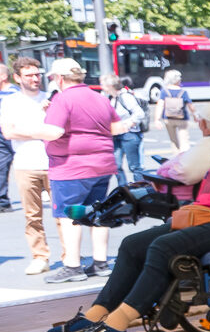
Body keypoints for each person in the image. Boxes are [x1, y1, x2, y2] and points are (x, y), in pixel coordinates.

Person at [48, 89, 210, 332]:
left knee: (163, 247)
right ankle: (96, 314)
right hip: (202, 218)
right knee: (132, 244)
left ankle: (119, 322)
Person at [14, 58, 129, 282]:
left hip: (71, 166)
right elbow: (117, 127)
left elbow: (54, 132)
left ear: (59, 78)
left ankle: (73, 266)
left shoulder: (62, 99)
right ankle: (100, 263)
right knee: (98, 212)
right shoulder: (99, 98)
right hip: (102, 165)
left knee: (70, 216)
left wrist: (31, 130)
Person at [1, 56, 53, 272]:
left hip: (54, 163)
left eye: (37, 73)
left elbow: (61, 130)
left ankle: (70, 257)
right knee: (32, 215)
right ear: (17, 77)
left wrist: (32, 131)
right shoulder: (11, 102)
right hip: (26, 164)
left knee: (63, 213)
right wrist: (41, 132)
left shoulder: (51, 97)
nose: (35, 78)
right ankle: (40, 256)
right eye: (29, 75)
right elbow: (9, 132)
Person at [106, 75, 149, 184]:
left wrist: (126, 124)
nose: (101, 86)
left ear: (110, 86)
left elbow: (139, 113)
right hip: (116, 135)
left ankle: (141, 190)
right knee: (116, 166)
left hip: (130, 134)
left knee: (134, 166)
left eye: (103, 84)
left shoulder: (125, 96)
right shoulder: (110, 97)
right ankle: (124, 189)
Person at [160, 70, 192, 149]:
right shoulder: (183, 92)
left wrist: (157, 119)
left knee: (173, 141)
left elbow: (160, 105)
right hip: (182, 118)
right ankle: (184, 157)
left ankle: (176, 157)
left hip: (168, 118)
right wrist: (195, 115)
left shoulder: (164, 92)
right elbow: (190, 105)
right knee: (184, 140)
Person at [0, 59, 13, 213]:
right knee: (2, 166)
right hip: (2, 133)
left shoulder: (14, 93)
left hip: (16, 133)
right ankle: (2, 200)